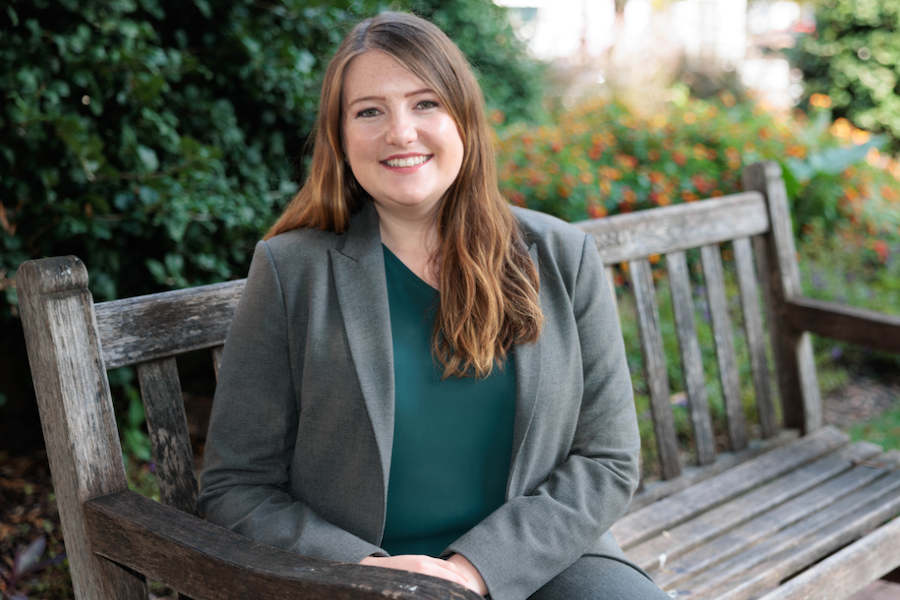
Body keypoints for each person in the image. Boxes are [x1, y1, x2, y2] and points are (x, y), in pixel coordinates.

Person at [198, 11, 669, 600]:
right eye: (369, 111)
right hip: (362, 579)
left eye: (425, 104)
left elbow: (607, 458)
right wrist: (362, 570)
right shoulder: (291, 271)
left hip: (543, 562)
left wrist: (475, 571)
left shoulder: (561, 257)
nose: (400, 132)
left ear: (463, 119)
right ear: (341, 140)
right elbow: (234, 487)